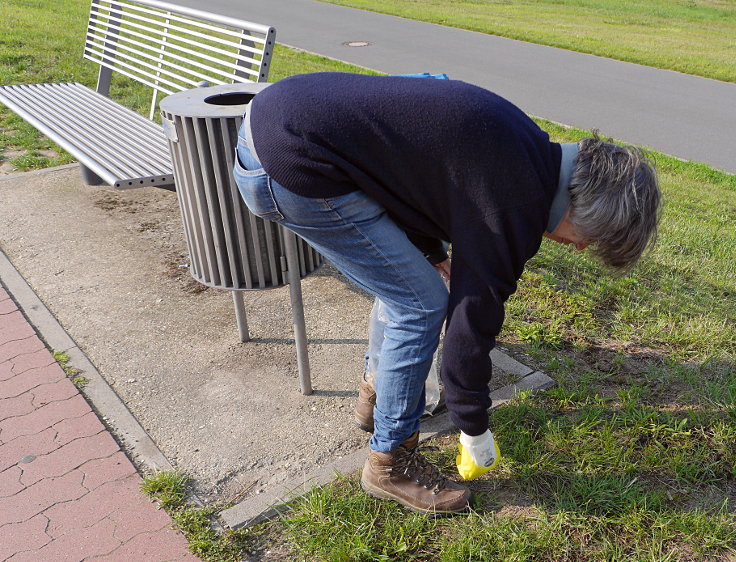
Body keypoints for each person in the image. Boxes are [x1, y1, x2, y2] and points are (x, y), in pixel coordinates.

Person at [232, 72, 661, 514]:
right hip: (292, 165)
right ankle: (390, 463)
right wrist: (474, 427)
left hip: (278, 122)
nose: (579, 247)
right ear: (579, 204)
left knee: (407, 282)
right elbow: (471, 327)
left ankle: (379, 394)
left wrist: (430, 250)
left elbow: (411, 171)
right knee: (419, 304)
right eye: (588, 237)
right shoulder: (515, 205)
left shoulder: (526, 146)